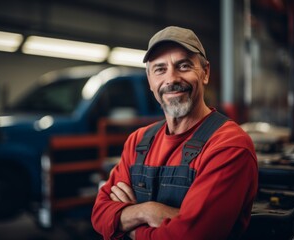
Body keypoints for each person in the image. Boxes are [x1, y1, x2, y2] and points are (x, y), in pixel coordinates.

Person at [91, 26, 258, 240]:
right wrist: (149, 211)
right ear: (150, 80)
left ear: (205, 72)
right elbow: (99, 214)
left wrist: (128, 227)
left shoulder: (228, 144)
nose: (172, 79)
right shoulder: (138, 141)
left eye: (184, 65)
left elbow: (190, 236)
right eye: (160, 69)